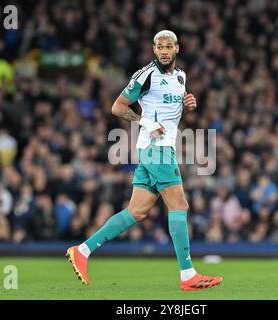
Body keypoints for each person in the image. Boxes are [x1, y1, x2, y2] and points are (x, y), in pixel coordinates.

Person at [66, 30, 222, 291]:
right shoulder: (145, 75)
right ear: (153, 49)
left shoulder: (181, 77)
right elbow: (117, 107)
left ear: (177, 49)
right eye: (159, 46)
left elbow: (173, 113)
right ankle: (188, 275)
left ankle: (82, 250)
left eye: (168, 46)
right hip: (156, 148)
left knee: (136, 211)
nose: (163, 50)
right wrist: (144, 121)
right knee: (179, 205)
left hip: (157, 148)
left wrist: (188, 105)